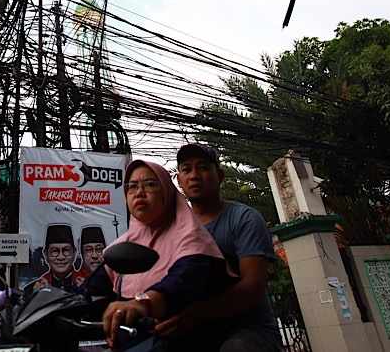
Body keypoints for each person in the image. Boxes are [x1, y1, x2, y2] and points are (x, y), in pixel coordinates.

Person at [84, 159, 233, 350]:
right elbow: (92, 289)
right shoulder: (123, 246)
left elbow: (181, 282)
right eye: (132, 187)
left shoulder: (191, 239)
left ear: (167, 193)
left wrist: (140, 303)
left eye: (150, 184)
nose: (139, 192)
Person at [158, 143, 282, 351]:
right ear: (179, 180)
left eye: (204, 168)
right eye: (186, 169)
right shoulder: (171, 228)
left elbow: (252, 287)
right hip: (194, 331)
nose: (194, 176)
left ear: (220, 175)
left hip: (248, 331)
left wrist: (197, 313)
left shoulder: (244, 218)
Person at [31, 224, 86, 290]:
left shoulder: (87, 284)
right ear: (46, 254)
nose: (61, 257)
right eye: (55, 251)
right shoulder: (35, 287)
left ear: (74, 253)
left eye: (66, 250)